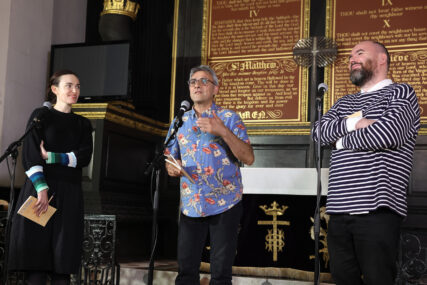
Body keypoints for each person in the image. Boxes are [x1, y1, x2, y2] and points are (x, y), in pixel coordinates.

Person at [312, 40, 420, 285]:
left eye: (359, 53)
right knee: (343, 280)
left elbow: (387, 134)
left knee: (378, 279)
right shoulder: (343, 103)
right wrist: (355, 123)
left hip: (377, 209)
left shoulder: (401, 93)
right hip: (338, 210)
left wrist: (339, 141)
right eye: (350, 56)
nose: (351, 59)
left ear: (382, 59)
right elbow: (318, 134)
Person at [165, 65, 254, 285]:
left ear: (215, 88)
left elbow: (249, 158)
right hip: (191, 203)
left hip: (226, 202)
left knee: (221, 273)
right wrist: (172, 167)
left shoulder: (229, 118)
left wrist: (222, 131)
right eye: (193, 81)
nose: (197, 85)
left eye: (204, 81)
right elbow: (169, 158)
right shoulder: (179, 121)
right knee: (186, 272)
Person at [8, 70, 93, 284]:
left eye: (78, 86)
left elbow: (83, 157)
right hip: (40, 190)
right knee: (35, 265)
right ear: (55, 89)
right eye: (69, 85)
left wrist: (52, 156)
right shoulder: (41, 116)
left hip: (69, 193)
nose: (75, 90)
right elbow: (30, 154)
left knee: (61, 267)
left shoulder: (83, 124)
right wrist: (41, 189)